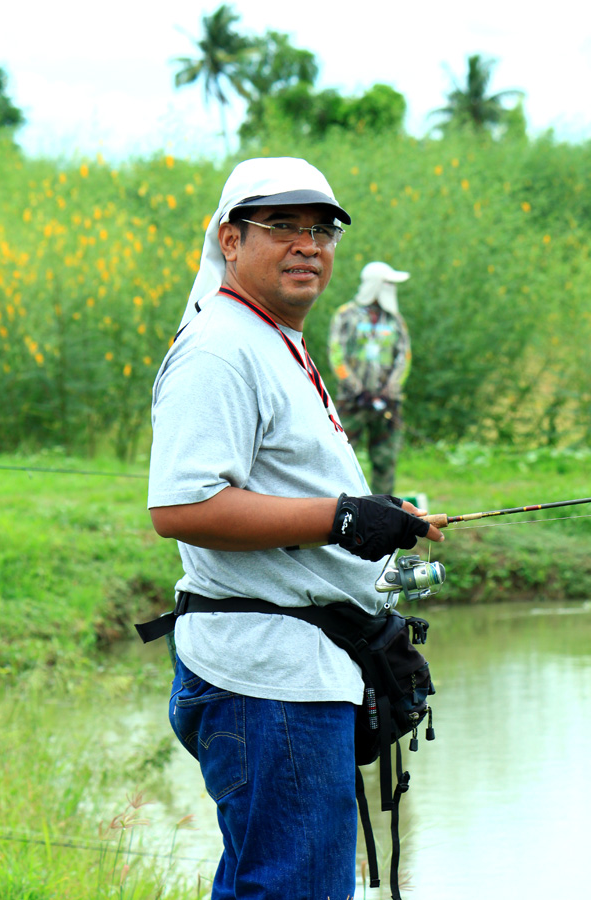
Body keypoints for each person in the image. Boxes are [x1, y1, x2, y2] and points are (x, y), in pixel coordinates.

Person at [147, 157, 443, 900]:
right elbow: (182, 507)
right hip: (266, 684)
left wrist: (376, 515)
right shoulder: (221, 348)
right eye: (281, 226)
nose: (308, 244)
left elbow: (291, 491)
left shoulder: (274, 339)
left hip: (300, 675)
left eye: (322, 229)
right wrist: (342, 517)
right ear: (230, 239)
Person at [328, 262, 412, 494]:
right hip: (352, 401)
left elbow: (404, 358)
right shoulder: (346, 315)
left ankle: (384, 512)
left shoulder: (395, 320)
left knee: (385, 460)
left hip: (387, 404)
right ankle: (343, 509)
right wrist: (357, 389)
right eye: (388, 283)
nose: (391, 288)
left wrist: (389, 391)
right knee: (343, 458)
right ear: (375, 285)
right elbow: (336, 355)